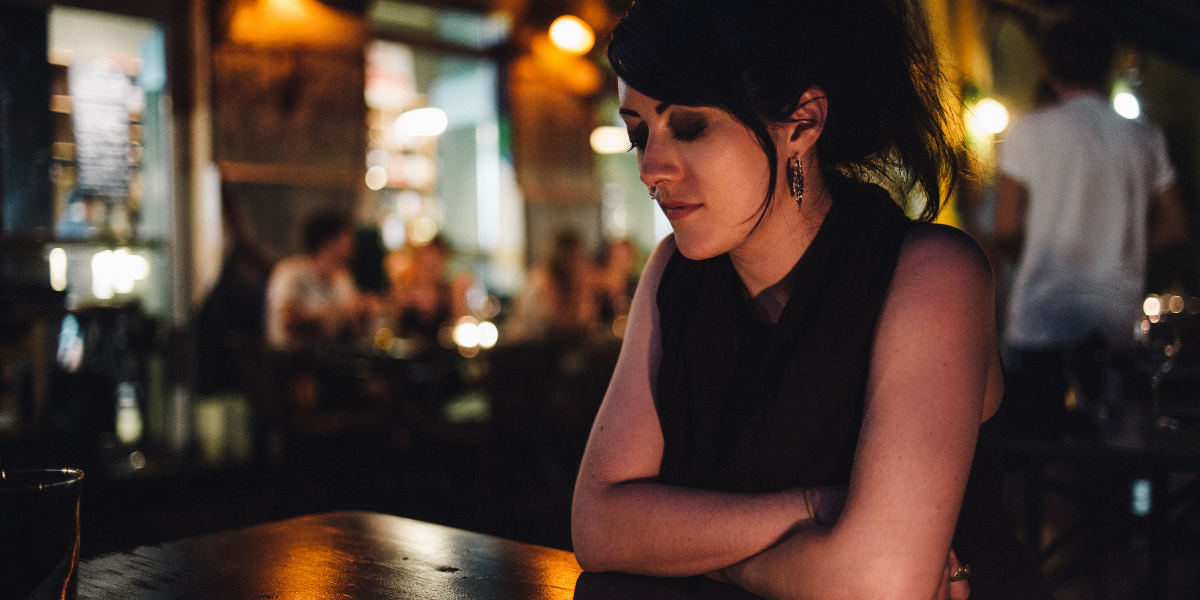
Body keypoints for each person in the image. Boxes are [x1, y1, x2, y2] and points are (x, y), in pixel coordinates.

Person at [571, 1, 1051, 599]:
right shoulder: (673, 274)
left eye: (689, 127)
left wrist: (690, 554)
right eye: (638, 134)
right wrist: (808, 512)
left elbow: (876, 585)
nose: (650, 169)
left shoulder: (930, 275)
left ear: (801, 123)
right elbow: (596, 527)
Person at [994, 16, 1186, 439]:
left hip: (1042, 318)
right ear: (1108, 65)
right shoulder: (1143, 136)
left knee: (1035, 458)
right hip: (1114, 320)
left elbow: (1005, 226)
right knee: (1108, 456)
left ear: (1046, 66)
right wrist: (1121, 248)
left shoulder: (1028, 130)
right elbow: (1176, 226)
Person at [265, 211, 373, 350]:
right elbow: (289, 321)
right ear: (329, 241)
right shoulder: (291, 273)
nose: (353, 241)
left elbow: (352, 320)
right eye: (347, 234)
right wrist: (337, 314)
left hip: (330, 357)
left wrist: (363, 312)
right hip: (289, 360)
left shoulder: (342, 277)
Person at [510, 230, 601, 340]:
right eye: (574, 256)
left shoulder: (571, 279)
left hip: (550, 343)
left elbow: (586, 319)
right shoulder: (543, 278)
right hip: (528, 345)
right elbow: (559, 323)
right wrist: (581, 288)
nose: (578, 261)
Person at [386, 236, 470, 343]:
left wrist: (460, 297)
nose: (431, 265)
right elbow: (393, 325)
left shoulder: (448, 292)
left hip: (442, 352)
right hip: (408, 353)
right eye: (428, 259)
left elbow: (461, 325)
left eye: (437, 259)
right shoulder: (404, 290)